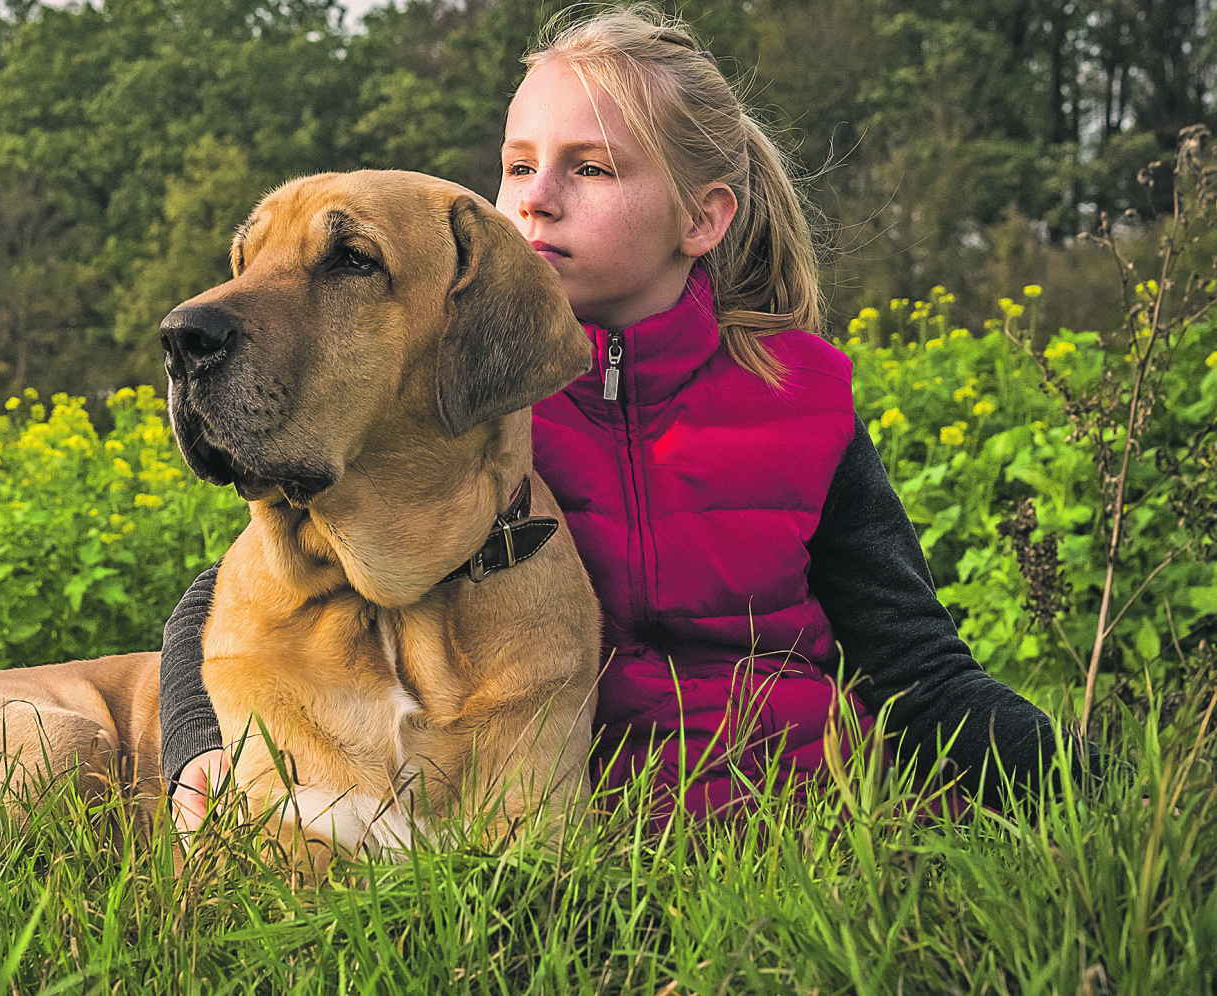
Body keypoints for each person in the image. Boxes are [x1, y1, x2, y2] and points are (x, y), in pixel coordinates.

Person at [159, 3, 1100, 830]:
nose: (535, 197)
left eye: (591, 169)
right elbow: (243, 590)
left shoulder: (799, 400)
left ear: (702, 219)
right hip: (583, 839)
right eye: (517, 164)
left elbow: (918, 669)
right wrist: (196, 746)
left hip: (800, 826)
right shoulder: (475, 410)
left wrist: (1102, 790)